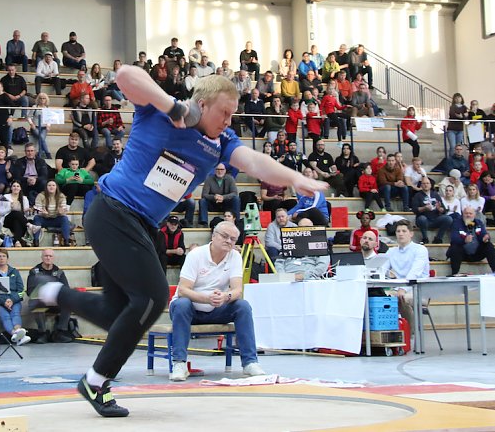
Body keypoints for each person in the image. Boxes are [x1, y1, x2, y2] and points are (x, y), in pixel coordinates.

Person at [26, 66, 323, 417]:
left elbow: (255, 162)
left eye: (232, 114)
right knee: (152, 299)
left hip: (144, 226)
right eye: (224, 113)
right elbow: (123, 75)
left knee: (120, 315)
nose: (229, 121)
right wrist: (171, 106)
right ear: (201, 103)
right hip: (112, 212)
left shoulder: (222, 143)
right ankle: (95, 380)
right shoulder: (159, 111)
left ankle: (51, 293)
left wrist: (294, 178)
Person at [168, 221, 265, 382]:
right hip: (189, 309)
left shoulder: (235, 257)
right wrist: (207, 298)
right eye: (225, 236)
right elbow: (183, 290)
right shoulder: (196, 255)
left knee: (243, 306)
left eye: (233, 239)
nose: (228, 241)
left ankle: (250, 362)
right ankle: (179, 363)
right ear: (213, 236)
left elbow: (237, 290)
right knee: (182, 303)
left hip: (216, 308)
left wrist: (225, 297)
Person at [385, 219, 429, 330]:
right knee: (378, 296)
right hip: (397, 289)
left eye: (404, 231)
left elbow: (415, 272)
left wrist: (402, 289)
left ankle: (409, 333)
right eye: (398, 231)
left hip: (418, 289)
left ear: (411, 234)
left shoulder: (420, 249)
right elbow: (381, 269)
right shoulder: (391, 251)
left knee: (402, 297)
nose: (400, 233)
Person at [0, 248, 30, 345]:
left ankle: (18, 332)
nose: (1, 258)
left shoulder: (14, 271)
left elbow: (21, 290)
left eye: (4, 256)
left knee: (15, 313)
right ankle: (16, 335)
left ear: (7, 258)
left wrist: (12, 300)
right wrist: (3, 301)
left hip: (13, 300)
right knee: (5, 316)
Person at [448, 206, 495, 275]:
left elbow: (483, 233)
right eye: (466, 213)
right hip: (462, 254)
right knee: (455, 248)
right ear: (463, 214)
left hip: (477, 253)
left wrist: (485, 238)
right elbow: (454, 239)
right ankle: (454, 273)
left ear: (474, 215)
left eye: (470, 213)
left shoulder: (478, 223)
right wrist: (464, 240)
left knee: (489, 245)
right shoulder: (456, 223)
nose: (468, 215)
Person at [412, 177, 453, 245]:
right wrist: (424, 208)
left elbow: (443, 209)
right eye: (424, 183)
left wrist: (440, 209)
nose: (426, 185)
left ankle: (438, 238)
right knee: (422, 219)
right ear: (421, 185)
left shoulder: (435, 194)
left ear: (430, 185)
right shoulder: (417, 195)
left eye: (427, 183)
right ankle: (425, 238)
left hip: (435, 219)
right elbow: (414, 210)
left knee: (448, 219)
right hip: (424, 220)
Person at [33, 180, 72, 246]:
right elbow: (38, 210)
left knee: (64, 218)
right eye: (49, 185)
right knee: (36, 218)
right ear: (46, 187)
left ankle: (66, 240)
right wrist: (43, 214)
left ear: (56, 187)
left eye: (53, 185)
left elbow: (64, 211)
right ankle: (36, 241)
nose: (51, 187)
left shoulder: (61, 196)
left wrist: (61, 213)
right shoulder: (40, 196)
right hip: (43, 218)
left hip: (56, 218)